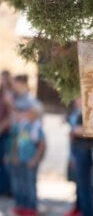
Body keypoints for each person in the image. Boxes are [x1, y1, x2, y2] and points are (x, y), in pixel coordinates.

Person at [11, 75, 46, 216]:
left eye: (28, 112)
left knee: (30, 184)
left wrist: (35, 159)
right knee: (20, 183)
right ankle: (21, 205)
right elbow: (18, 142)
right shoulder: (24, 127)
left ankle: (31, 208)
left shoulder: (37, 128)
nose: (24, 114)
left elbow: (42, 145)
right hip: (21, 158)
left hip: (31, 160)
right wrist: (14, 155)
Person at [0, 70, 13, 196]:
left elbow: (11, 115)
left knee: (5, 160)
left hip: (7, 132)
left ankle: (7, 189)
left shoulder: (10, 95)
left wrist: (2, 127)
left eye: (5, 78)